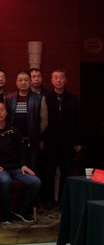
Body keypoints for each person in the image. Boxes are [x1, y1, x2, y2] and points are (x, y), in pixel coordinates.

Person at [0, 99, 41, 223]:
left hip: (16, 167)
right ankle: (5, 213)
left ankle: (22, 210)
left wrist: (24, 165)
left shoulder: (15, 130)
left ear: (6, 112)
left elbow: (22, 151)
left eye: (1, 110)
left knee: (35, 182)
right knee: (5, 181)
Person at [42, 70, 81, 210]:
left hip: (67, 142)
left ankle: (63, 200)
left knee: (66, 172)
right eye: (56, 78)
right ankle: (48, 200)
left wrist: (78, 141)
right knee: (49, 172)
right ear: (52, 80)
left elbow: (78, 121)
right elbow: (41, 121)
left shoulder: (73, 99)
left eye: (61, 77)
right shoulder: (46, 98)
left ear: (66, 80)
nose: (59, 80)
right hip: (49, 142)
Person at [4, 71, 48, 170]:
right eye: (20, 80)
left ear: (30, 81)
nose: (23, 82)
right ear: (16, 82)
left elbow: (44, 121)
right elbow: (5, 119)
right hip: (12, 141)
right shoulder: (8, 99)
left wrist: (35, 133)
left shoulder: (39, 99)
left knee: (32, 169)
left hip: (31, 142)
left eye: (26, 80)